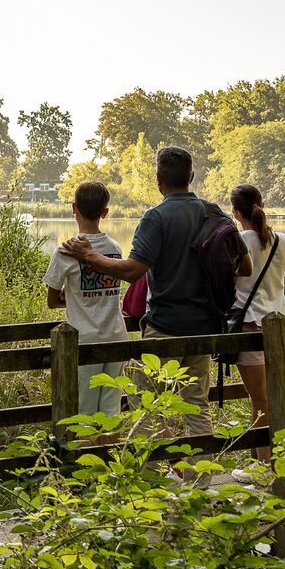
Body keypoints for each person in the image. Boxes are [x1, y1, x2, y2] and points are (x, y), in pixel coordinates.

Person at [60, 146, 248, 435]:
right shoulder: (215, 214)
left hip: (166, 327)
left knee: (143, 401)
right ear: (191, 177)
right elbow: (245, 266)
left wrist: (89, 255)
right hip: (205, 326)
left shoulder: (156, 217)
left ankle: (159, 463)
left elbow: (132, 271)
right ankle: (200, 464)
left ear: (158, 179)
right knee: (197, 404)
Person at [44, 181, 128, 417]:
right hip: (116, 336)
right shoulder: (114, 247)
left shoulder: (65, 251)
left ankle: (88, 443)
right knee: (111, 411)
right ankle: (110, 442)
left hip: (86, 339)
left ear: (74, 208)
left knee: (85, 412)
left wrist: (73, 297)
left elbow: (51, 301)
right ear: (105, 212)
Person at [228, 183, 285, 425]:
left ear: (235, 212)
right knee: (276, 396)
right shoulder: (282, 240)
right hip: (279, 323)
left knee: (260, 401)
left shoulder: (240, 240)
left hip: (250, 323)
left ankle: (263, 450)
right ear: (262, 205)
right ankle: (277, 446)